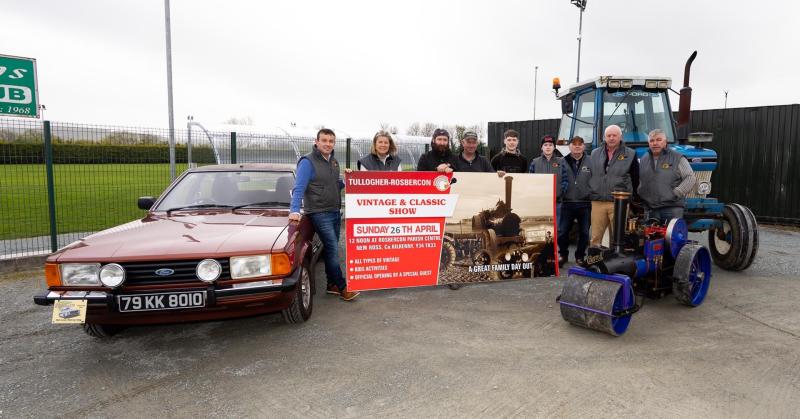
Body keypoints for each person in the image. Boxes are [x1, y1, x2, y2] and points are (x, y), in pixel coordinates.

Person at [289, 128, 359, 301]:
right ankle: (342, 287)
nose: (328, 144)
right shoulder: (307, 162)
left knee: (330, 249)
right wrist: (294, 210)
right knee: (333, 249)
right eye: (324, 140)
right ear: (316, 141)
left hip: (335, 211)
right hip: (319, 213)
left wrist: (348, 179)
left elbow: (334, 185)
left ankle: (331, 285)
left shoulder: (333, 162)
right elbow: (299, 187)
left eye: (331, 141)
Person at [588, 124, 639, 246]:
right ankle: (593, 260)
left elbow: (635, 178)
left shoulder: (630, 154)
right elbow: (589, 175)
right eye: (608, 135)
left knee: (617, 237)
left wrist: (632, 199)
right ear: (604, 137)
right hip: (597, 202)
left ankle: (612, 263)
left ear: (620, 137)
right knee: (595, 237)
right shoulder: (594, 153)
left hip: (619, 203)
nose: (611, 138)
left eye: (614, 135)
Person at [638, 128, 697, 221]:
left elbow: (690, 178)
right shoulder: (644, 159)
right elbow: (640, 180)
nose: (655, 143)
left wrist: (676, 193)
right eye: (652, 140)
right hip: (650, 209)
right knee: (650, 236)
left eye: (658, 140)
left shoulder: (677, 157)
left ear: (665, 142)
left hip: (671, 208)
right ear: (648, 143)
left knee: (671, 235)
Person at [558, 135, 592, 267]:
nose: (577, 146)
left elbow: (596, 179)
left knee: (584, 233)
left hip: (585, 203)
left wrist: (590, 193)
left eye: (580, 144)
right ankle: (563, 255)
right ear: (569, 146)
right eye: (574, 144)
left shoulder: (591, 161)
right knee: (563, 232)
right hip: (567, 203)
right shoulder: (561, 161)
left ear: (583, 146)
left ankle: (579, 256)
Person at [528, 135, 568, 221]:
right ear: (541, 147)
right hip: (540, 203)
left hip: (557, 203)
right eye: (545, 145)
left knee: (557, 228)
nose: (548, 147)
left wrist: (560, 193)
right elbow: (530, 181)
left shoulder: (561, 162)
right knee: (541, 227)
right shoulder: (535, 162)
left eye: (550, 145)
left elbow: (565, 180)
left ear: (554, 147)